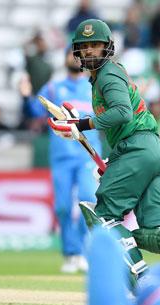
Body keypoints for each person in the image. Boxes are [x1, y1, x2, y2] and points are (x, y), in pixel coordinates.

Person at [47, 19, 160, 284]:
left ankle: (139, 280)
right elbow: (127, 121)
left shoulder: (108, 74)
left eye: (95, 45)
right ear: (77, 51)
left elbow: (121, 114)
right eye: (84, 46)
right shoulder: (107, 75)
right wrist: (115, 159)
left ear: (107, 47)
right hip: (154, 151)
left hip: (138, 149)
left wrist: (82, 124)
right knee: (152, 231)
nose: (89, 51)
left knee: (102, 217)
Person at [22, 48, 101, 274]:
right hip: (62, 158)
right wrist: (26, 95)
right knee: (64, 208)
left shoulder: (94, 87)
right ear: (65, 58)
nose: (75, 59)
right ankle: (70, 254)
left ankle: (83, 252)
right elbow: (34, 111)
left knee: (88, 202)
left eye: (78, 56)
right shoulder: (54, 87)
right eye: (71, 55)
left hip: (88, 155)